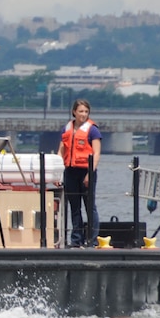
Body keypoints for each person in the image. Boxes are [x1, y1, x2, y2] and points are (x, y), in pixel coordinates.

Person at [59, 98, 102, 247]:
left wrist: (90, 173)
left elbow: (96, 153)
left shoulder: (93, 130)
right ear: (74, 112)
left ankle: (92, 240)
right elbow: (61, 150)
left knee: (90, 207)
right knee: (74, 207)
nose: (83, 114)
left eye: (86, 111)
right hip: (70, 171)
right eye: (80, 111)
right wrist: (58, 171)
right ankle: (76, 239)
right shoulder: (67, 129)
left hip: (86, 171)